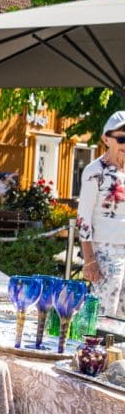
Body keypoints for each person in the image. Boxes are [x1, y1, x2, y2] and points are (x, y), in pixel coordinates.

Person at [78, 110, 125, 317]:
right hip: (106, 252)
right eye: (121, 138)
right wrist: (89, 260)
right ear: (106, 139)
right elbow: (83, 218)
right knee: (104, 315)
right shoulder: (94, 171)